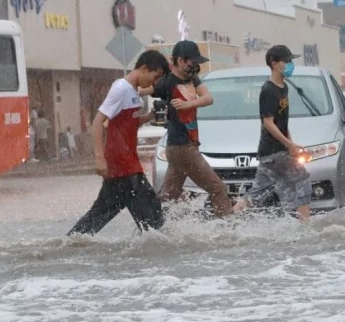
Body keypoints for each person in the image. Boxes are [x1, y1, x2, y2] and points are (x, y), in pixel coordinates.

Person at [67, 50, 170, 236]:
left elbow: (130, 122)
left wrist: (151, 116)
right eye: (155, 77)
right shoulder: (121, 88)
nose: (154, 83)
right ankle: (162, 247)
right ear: (144, 68)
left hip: (125, 162)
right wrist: (99, 158)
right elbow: (98, 121)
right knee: (151, 212)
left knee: (101, 213)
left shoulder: (133, 92)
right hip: (123, 162)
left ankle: (71, 243)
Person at [140, 40, 234, 218]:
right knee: (218, 188)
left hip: (183, 147)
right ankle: (229, 229)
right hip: (182, 147)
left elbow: (208, 98)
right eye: (193, 62)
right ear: (180, 61)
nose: (196, 66)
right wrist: (125, 90)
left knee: (169, 196)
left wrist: (187, 104)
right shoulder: (167, 82)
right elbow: (145, 90)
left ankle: (150, 224)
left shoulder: (193, 79)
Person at [233, 45, 312, 222]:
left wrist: (291, 144)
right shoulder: (268, 90)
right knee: (302, 180)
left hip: (276, 151)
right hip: (272, 151)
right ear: (274, 64)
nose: (291, 65)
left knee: (257, 193)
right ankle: (305, 223)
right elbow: (268, 122)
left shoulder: (283, 87)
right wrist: (288, 144)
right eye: (288, 61)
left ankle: (229, 221)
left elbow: (283, 123)